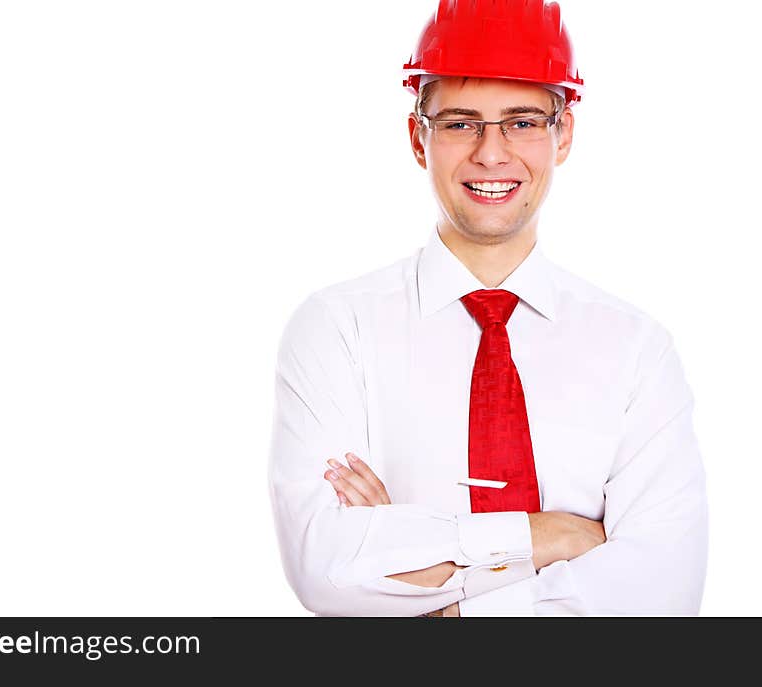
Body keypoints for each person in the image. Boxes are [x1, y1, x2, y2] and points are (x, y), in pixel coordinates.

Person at [267, 0, 707, 616]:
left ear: (565, 134)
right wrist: (550, 538)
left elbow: (661, 592)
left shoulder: (636, 348)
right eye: (460, 123)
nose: (492, 153)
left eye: (523, 121)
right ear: (419, 138)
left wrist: (431, 585)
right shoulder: (337, 329)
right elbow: (326, 570)